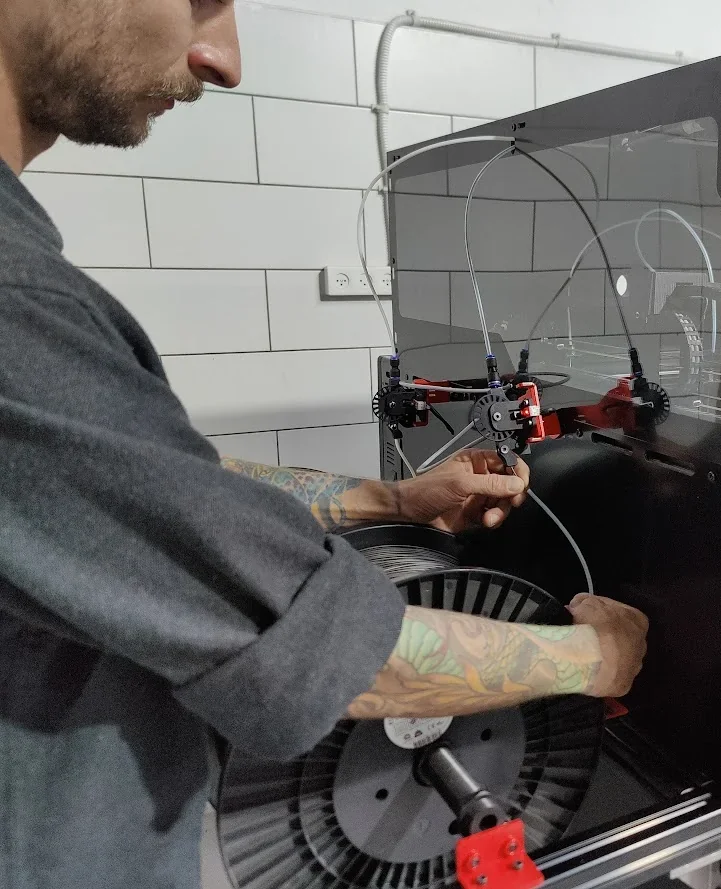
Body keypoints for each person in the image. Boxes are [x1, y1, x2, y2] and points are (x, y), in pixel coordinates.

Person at [0, 2, 648, 888]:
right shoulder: (14, 303)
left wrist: (392, 500)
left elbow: (166, 491)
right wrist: (591, 658)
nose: (223, 59)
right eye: (201, 1)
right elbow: (334, 656)